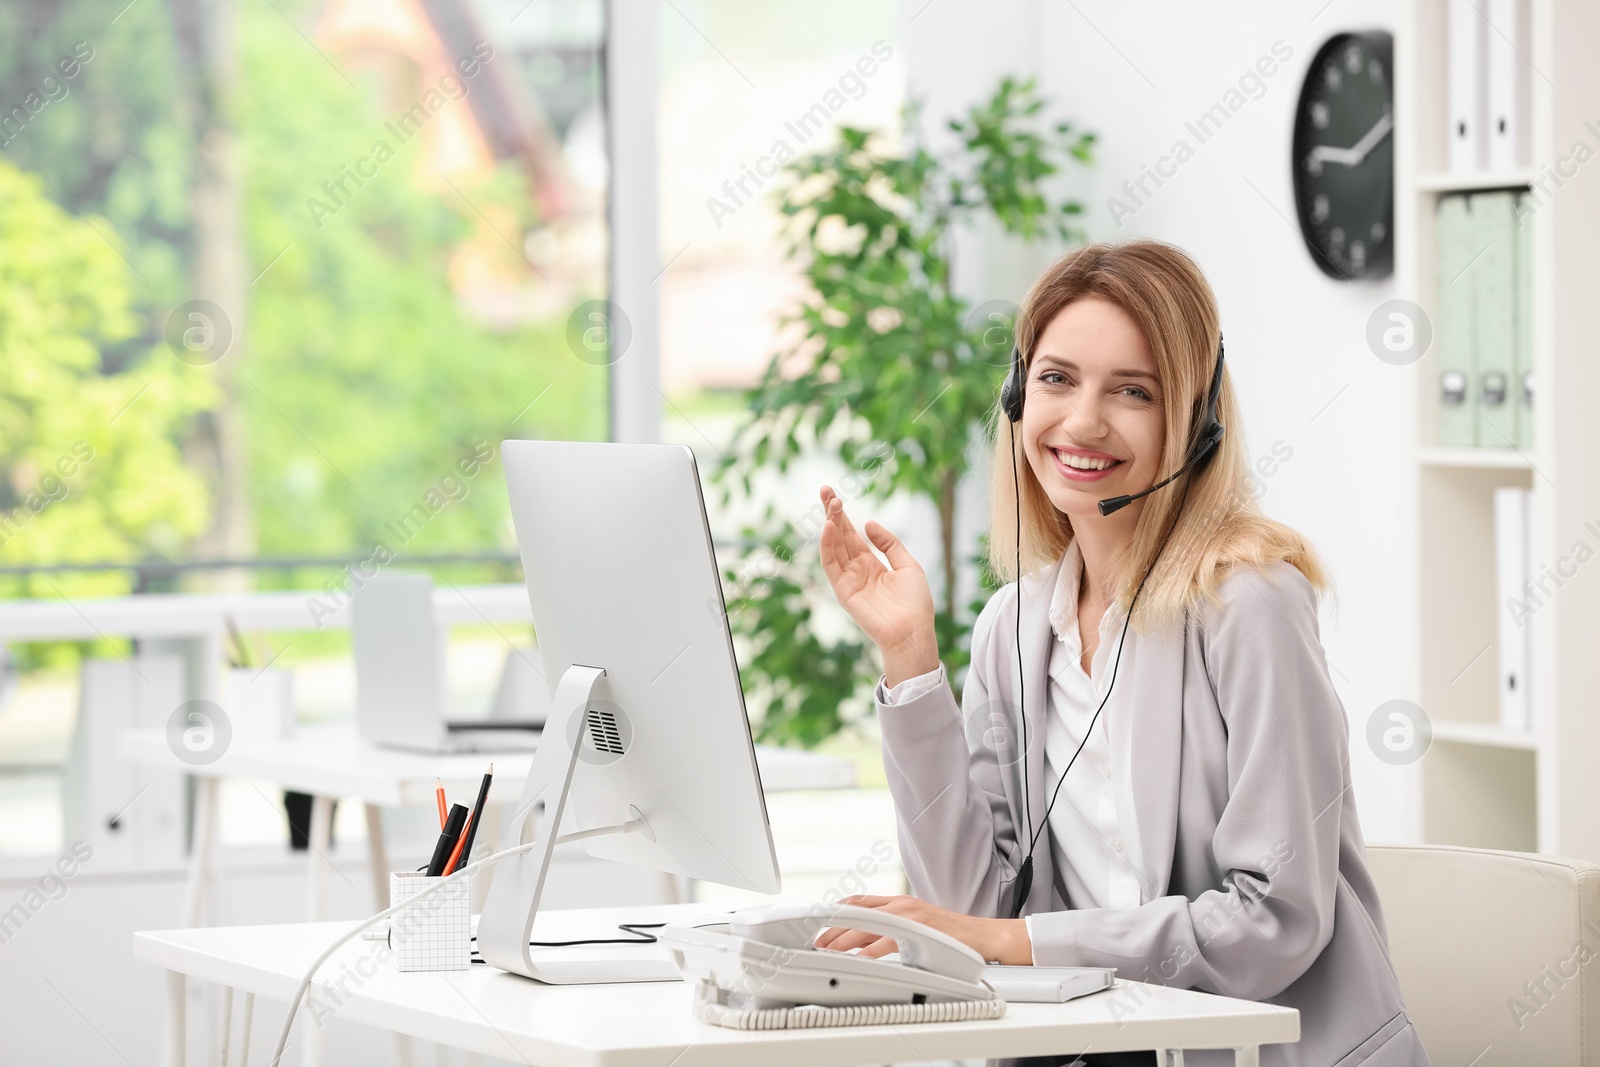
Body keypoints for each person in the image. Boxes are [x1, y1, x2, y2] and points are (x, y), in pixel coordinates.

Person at [814, 240, 1429, 1067]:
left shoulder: (1251, 605)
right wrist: (909, 657)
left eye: (1132, 391)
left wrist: (1009, 939)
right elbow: (970, 909)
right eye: (1057, 379)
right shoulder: (1015, 627)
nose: (1082, 421)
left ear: (1193, 421)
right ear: (1016, 397)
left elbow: (1273, 919)